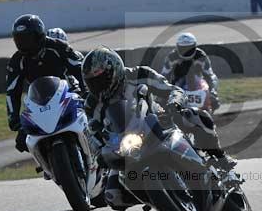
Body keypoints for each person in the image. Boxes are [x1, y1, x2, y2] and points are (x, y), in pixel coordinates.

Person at [82, 46, 235, 172]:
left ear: (114, 70)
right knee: (112, 193)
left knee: (194, 115)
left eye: (102, 79)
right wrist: (99, 152)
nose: (98, 85)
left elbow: (173, 90)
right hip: (126, 145)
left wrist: (174, 103)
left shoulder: (139, 74)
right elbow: (91, 133)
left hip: (160, 123)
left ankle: (220, 157)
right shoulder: (91, 104)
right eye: (92, 82)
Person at [6, 14, 86, 152]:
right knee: (23, 140)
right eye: (20, 40)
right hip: (39, 104)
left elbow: (79, 68)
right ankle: (44, 159)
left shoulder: (58, 46)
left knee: (90, 118)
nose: (23, 44)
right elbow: (12, 91)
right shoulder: (17, 61)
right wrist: (14, 120)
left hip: (68, 95)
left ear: (39, 35)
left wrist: (87, 92)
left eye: (27, 39)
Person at [160, 32, 220, 110]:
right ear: (177, 47)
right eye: (183, 49)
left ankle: (207, 111)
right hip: (178, 84)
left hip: (198, 84)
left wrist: (212, 92)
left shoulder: (201, 56)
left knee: (213, 101)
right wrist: (163, 93)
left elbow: (210, 75)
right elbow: (164, 75)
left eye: (189, 48)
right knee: (162, 104)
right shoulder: (171, 57)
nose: (186, 51)